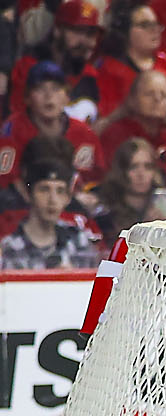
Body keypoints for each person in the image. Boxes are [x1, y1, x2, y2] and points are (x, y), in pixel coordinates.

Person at [0, 61, 106, 191]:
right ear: (27, 97)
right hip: (22, 203)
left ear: (67, 97)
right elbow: (5, 180)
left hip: (73, 202)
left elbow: (95, 179)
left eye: (56, 89)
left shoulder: (84, 133)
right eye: (40, 88)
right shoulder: (12, 129)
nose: (49, 96)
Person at [9, 0, 104, 124]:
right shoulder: (28, 66)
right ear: (57, 30)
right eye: (77, 31)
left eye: (91, 34)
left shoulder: (91, 75)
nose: (85, 42)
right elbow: (17, 122)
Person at [0, 155, 102, 268]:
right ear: (28, 194)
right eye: (44, 189)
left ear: (68, 198)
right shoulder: (11, 247)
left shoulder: (78, 240)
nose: (52, 200)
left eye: (60, 191)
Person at [97, 70, 166, 194]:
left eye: (163, 95)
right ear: (132, 100)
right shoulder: (116, 133)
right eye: (149, 94)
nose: (157, 99)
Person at [96, 3, 166, 118]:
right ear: (125, 31)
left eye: (156, 24)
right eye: (145, 25)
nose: (154, 30)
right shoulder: (109, 70)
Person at [92, 135, 166, 241]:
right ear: (121, 170)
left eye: (147, 167)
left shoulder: (165, 203)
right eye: (133, 167)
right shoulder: (105, 210)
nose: (141, 174)